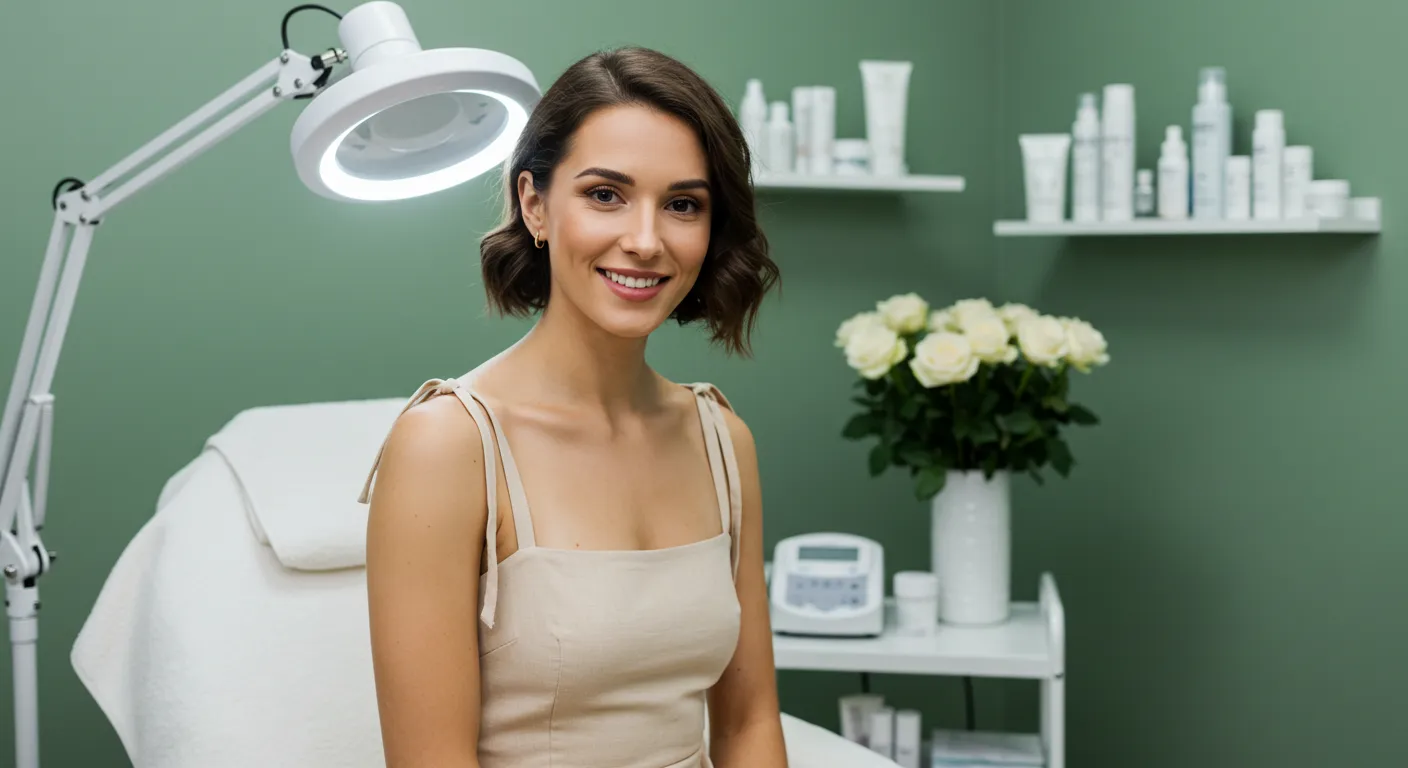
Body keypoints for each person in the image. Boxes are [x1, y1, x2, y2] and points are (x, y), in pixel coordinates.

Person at [358, 45, 785, 768]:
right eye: (605, 195)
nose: (645, 241)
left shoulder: (721, 438)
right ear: (534, 204)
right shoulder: (447, 446)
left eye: (683, 204)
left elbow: (748, 726)